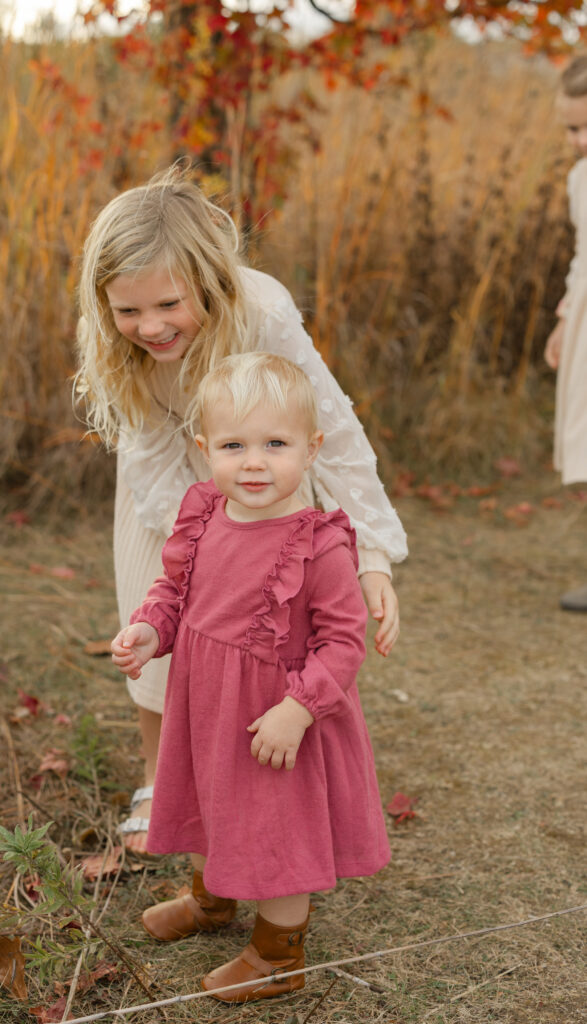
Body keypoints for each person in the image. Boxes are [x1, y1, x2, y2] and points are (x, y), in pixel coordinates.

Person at [76, 164, 407, 854]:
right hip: (167, 482)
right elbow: (149, 450)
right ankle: (162, 779)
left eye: (169, 304)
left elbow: (333, 432)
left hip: (268, 473)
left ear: (207, 280)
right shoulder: (114, 338)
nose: (149, 326)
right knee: (155, 625)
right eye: (128, 311)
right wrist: (199, 550)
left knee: (273, 640)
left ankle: (282, 781)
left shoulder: (262, 312)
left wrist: (372, 553)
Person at [111, 353, 391, 1003]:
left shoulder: (319, 544)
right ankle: (212, 900)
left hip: (276, 717)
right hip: (206, 702)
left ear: (311, 448)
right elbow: (175, 592)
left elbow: (344, 642)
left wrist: (298, 709)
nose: (254, 463)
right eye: (234, 445)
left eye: (276, 444)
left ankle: (277, 954)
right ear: (204, 448)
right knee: (205, 799)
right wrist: (151, 631)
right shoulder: (203, 514)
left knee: (274, 828)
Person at [545, 56, 587, 612]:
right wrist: (563, 319)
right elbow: (583, 256)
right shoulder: (580, 179)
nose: (580, 140)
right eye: (572, 128)